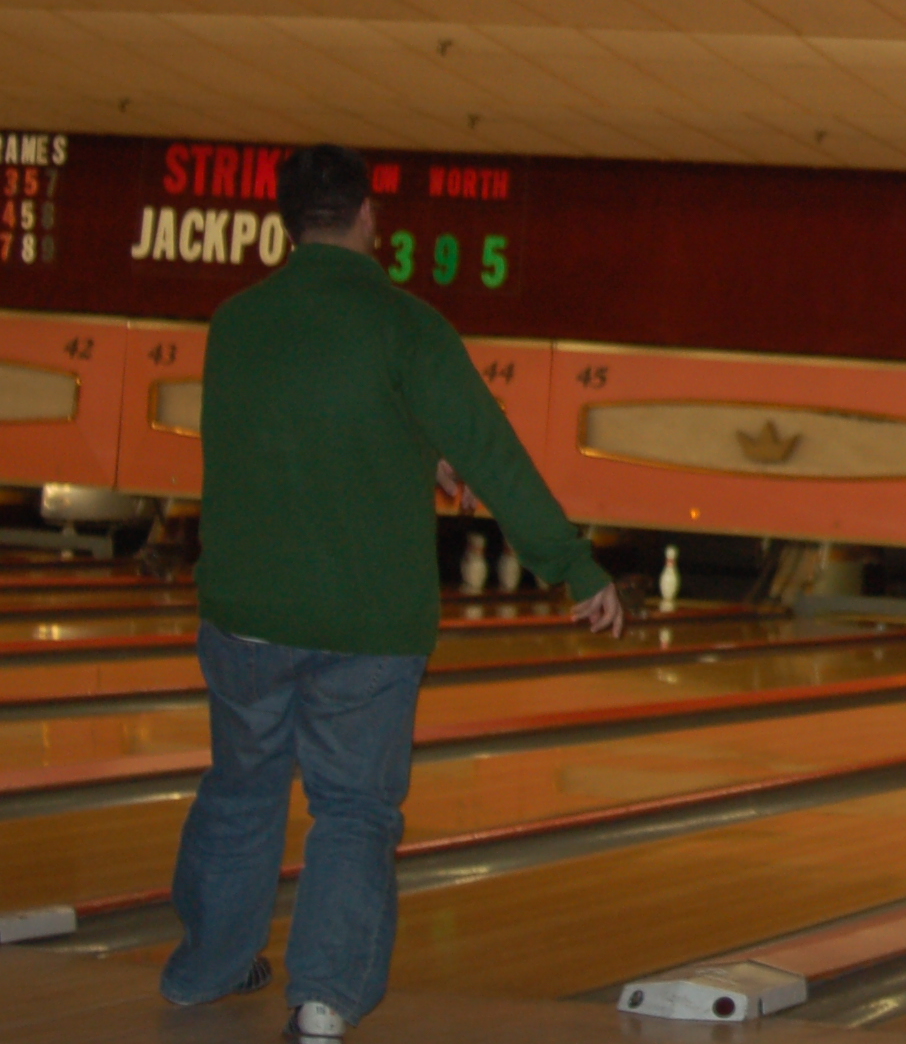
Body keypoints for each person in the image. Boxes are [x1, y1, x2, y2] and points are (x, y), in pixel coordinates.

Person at [159, 144, 621, 1039]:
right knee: (354, 809)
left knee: (241, 788)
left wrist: (413, 452)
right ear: (370, 215)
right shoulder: (407, 325)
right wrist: (572, 563)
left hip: (244, 615)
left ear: (286, 223)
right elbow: (489, 452)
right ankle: (325, 1002)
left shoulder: (235, 322)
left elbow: (286, 433)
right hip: (367, 626)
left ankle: (203, 970)